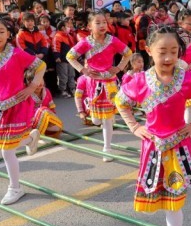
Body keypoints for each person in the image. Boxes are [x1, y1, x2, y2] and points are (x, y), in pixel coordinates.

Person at [116, 25, 191, 226]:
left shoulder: (187, 78)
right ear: (149, 50)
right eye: (162, 52)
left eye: (174, 51)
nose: (169, 57)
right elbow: (120, 101)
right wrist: (134, 127)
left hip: (179, 146)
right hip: (152, 147)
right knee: (161, 194)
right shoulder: (140, 80)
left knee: (175, 196)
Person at [0, 15, 44, 205]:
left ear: (8, 34)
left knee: (6, 150)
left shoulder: (17, 53)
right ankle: (30, 139)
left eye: (1, 32)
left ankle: (15, 188)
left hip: (18, 105)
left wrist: (32, 87)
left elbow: (41, 66)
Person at [66, 11, 132, 161]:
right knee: (96, 120)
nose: (102, 25)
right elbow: (70, 56)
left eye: (104, 22)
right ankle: (95, 113)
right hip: (93, 83)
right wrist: (83, 70)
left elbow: (128, 53)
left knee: (107, 119)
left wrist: (119, 68)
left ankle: (107, 149)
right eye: (98, 23)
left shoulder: (112, 40)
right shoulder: (85, 42)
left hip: (109, 83)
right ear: (89, 26)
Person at [25, 69, 62, 138]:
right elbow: (25, 114)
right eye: (36, 81)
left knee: (56, 128)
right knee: (43, 110)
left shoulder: (47, 91)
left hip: (45, 120)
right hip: (30, 124)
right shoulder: (27, 95)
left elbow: (51, 108)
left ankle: (43, 132)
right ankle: (36, 134)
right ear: (29, 84)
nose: (40, 83)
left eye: (41, 79)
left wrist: (51, 121)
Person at [52, 19, 77, 98]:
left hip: (70, 59)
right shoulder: (58, 36)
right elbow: (55, 47)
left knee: (71, 74)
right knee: (63, 75)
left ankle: (72, 88)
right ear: (63, 27)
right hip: (62, 60)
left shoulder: (69, 36)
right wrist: (57, 56)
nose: (69, 27)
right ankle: (63, 90)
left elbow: (73, 47)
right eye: (67, 26)